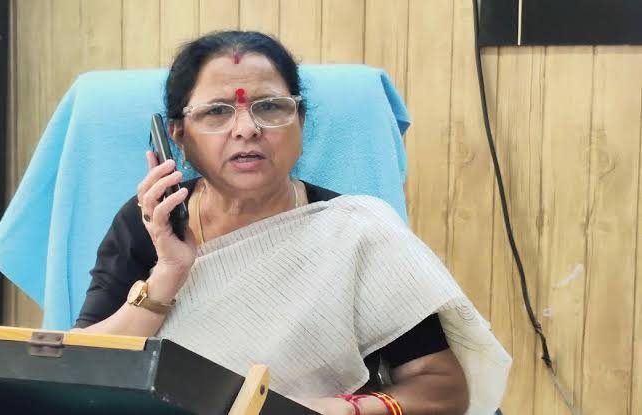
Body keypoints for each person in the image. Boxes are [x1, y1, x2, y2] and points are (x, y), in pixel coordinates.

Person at [72, 31, 510, 415]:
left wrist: (342, 409)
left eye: (270, 107)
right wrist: (168, 273)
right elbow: (84, 372)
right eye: (217, 112)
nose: (246, 128)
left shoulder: (355, 232)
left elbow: (444, 388)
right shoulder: (150, 223)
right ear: (178, 136)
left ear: (300, 122)